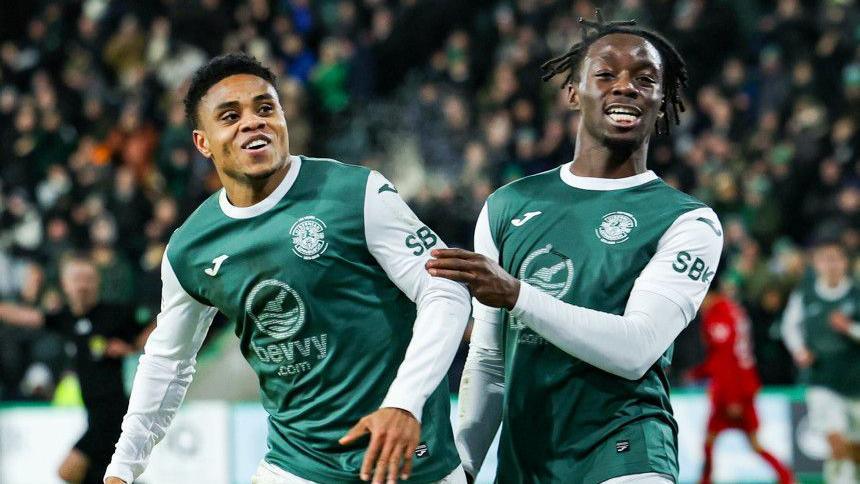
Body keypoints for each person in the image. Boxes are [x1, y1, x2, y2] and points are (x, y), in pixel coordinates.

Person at [103, 53, 470, 484]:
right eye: (230, 115)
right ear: (203, 143)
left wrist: (405, 402)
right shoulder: (192, 247)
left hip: (408, 459)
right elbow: (167, 361)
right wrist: (123, 468)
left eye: (265, 108)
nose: (253, 122)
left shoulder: (356, 193)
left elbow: (446, 291)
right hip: (297, 466)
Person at [427, 12, 724, 483]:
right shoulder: (509, 206)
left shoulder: (688, 221)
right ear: (573, 92)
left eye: (645, 79)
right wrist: (461, 466)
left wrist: (517, 295)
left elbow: (635, 349)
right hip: (528, 460)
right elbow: (489, 362)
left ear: (662, 101)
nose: (625, 87)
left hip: (627, 453)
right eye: (606, 74)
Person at [0, 255, 152, 484]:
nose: (82, 285)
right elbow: (27, 317)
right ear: (65, 284)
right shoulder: (67, 318)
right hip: (93, 414)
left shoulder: (115, 314)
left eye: (88, 279)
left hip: (113, 413)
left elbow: (157, 324)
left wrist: (133, 346)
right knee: (104, 475)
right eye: (77, 279)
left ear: (98, 282)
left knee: (69, 471)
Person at [686, 278, 793, 484]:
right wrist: (700, 373)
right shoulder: (733, 310)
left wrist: (732, 396)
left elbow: (726, 358)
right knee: (722, 441)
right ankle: (785, 477)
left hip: (732, 390)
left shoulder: (718, 315)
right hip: (743, 384)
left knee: (727, 442)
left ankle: (786, 477)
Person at [782, 239, 860, 484]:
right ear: (816, 264)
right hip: (821, 380)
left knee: (854, 449)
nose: (831, 265)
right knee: (835, 440)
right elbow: (789, 326)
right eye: (825, 259)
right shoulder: (805, 293)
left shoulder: (856, 294)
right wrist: (799, 350)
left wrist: (850, 328)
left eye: (835, 259)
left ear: (845, 262)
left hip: (855, 381)